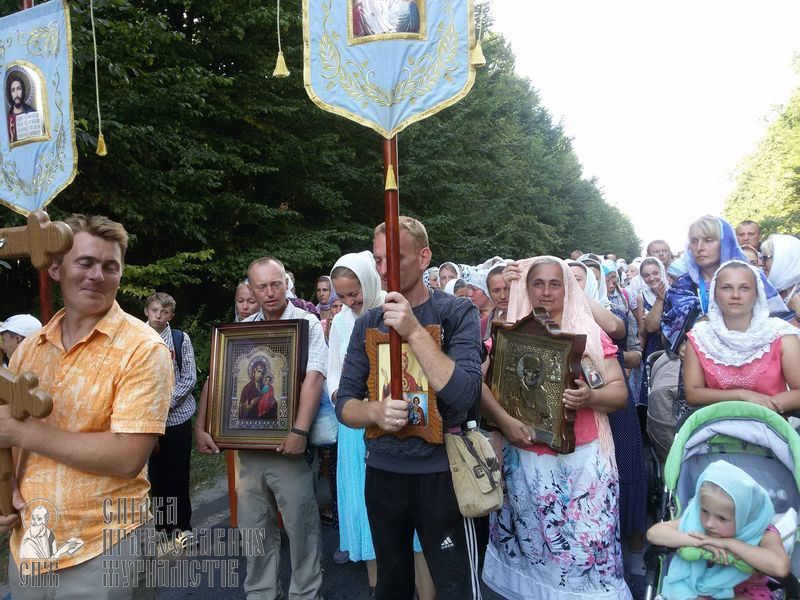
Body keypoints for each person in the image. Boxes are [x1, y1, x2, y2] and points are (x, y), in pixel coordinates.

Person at [0, 214, 173, 597]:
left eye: (110, 266)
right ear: (57, 268)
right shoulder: (30, 348)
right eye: (86, 262)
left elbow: (128, 455)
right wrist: (6, 484)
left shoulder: (143, 350)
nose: (98, 275)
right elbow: (8, 434)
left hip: (105, 546)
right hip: (31, 543)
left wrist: (25, 433)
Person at [336, 217, 483, 600]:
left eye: (396, 259)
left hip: (443, 473)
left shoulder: (457, 312)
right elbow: (344, 404)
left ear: (423, 257)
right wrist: (373, 413)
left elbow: (465, 395)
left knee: (455, 586)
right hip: (383, 473)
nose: (386, 270)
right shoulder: (368, 322)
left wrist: (415, 331)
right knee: (391, 585)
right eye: (380, 260)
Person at [483, 256, 631, 600]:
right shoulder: (511, 332)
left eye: (555, 284)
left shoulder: (587, 334)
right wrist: (505, 421)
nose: (546, 292)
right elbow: (481, 382)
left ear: (568, 289)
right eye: (538, 283)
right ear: (527, 288)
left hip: (580, 463)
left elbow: (618, 392)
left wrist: (589, 397)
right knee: (532, 545)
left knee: (583, 546)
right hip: (523, 458)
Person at [647, 460, 789, 600]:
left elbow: (780, 567)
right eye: (704, 511)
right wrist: (699, 542)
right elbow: (654, 533)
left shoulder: (763, 533)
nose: (709, 523)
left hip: (748, 590)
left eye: (722, 518)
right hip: (698, 588)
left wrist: (728, 544)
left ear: (743, 516)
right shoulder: (695, 522)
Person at [684, 260, 800, 413]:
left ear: (757, 293)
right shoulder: (701, 336)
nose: (736, 295)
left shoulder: (781, 334)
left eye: (744, 288)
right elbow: (693, 393)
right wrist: (742, 396)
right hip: (716, 429)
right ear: (714, 293)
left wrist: (764, 408)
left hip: (770, 429)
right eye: (726, 288)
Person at [143, 291, 197, 546]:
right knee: (156, 475)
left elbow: (189, 377)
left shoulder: (179, 339)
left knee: (178, 472)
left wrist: (165, 404)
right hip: (147, 420)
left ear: (171, 315)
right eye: (154, 310)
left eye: (164, 312)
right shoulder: (136, 338)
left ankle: (183, 526)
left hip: (177, 418)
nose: (158, 315)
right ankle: (163, 527)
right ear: (146, 311)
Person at [636, 257, 668, 404]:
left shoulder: (674, 292)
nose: (651, 278)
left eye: (655, 273)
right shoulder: (642, 296)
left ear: (662, 271)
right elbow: (645, 329)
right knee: (654, 397)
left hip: (672, 348)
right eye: (646, 275)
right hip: (653, 349)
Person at [761, 233, 800, 320]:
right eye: (761, 257)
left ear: (784, 259)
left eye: (765, 257)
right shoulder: (778, 290)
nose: (761, 263)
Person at [6, 74, 41, 143]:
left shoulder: (32, 113)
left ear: (23, 91)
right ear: (10, 94)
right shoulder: (8, 120)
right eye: (13, 90)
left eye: (19, 89)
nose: (16, 94)